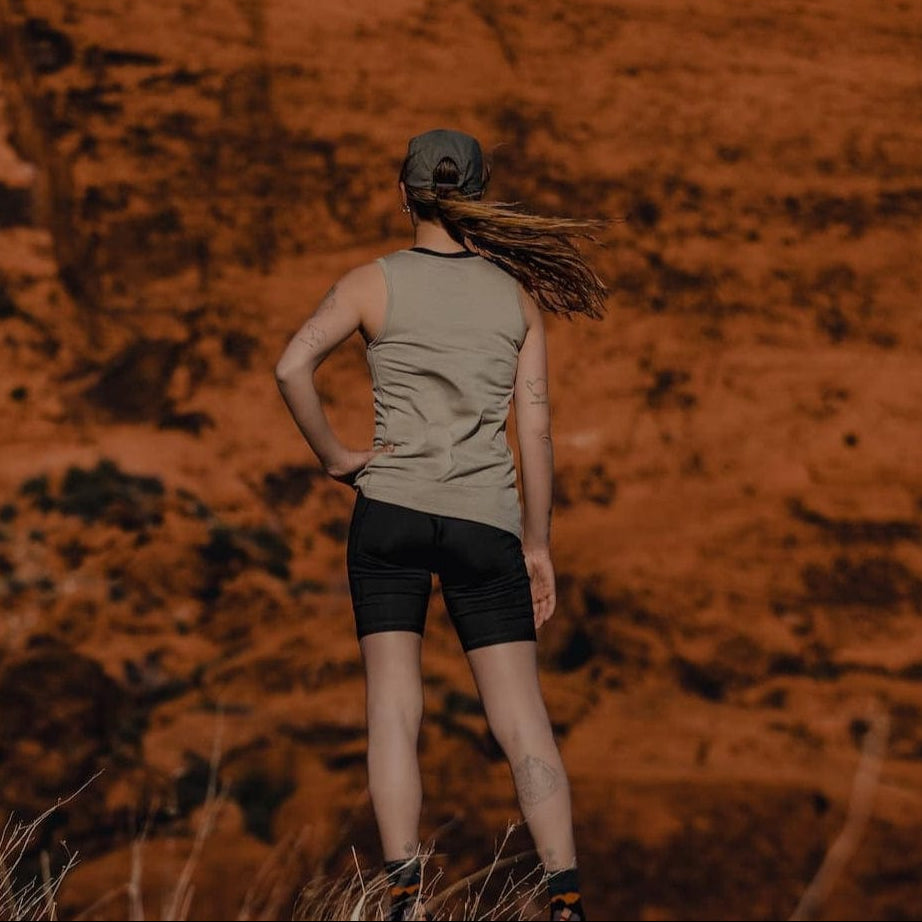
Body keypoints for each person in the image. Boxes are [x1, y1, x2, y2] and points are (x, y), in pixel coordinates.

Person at [275, 128, 607, 922]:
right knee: (521, 717)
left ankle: (402, 893)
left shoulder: (369, 284)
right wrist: (537, 544)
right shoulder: (516, 301)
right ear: (479, 196)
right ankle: (563, 896)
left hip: (386, 512)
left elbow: (291, 366)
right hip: (484, 523)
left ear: (403, 195)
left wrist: (334, 456)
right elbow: (535, 434)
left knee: (393, 706)